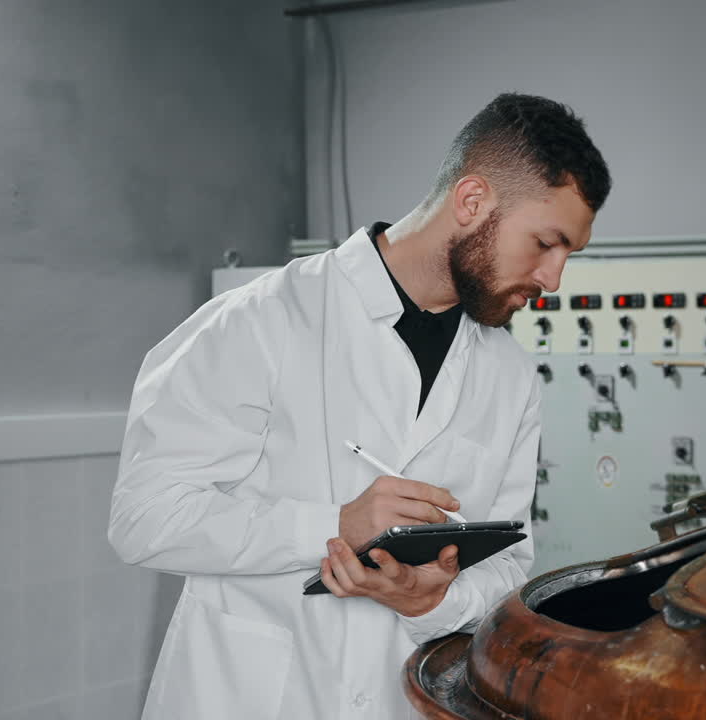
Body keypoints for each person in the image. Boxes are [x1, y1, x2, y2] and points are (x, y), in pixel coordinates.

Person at [108, 92, 611, 719]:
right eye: (545, 243)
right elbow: (145, 519)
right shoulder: (258, 321)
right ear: (473, 201)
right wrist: (335, 523)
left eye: (568, 255)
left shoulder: (509, 375)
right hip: (245, 698)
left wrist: (431, 602)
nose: (553, 279)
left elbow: (509, 564)